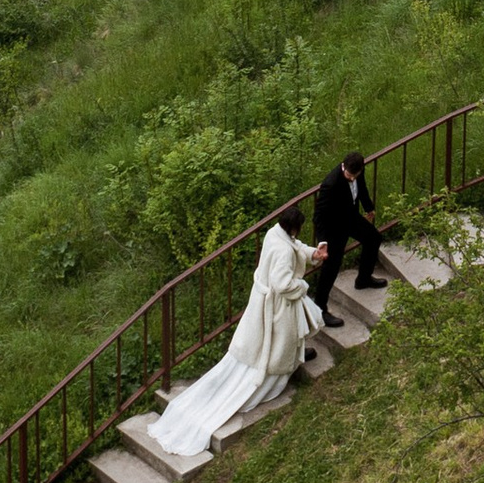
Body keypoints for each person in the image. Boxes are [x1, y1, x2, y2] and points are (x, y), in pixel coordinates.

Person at [139, 214, 320, 464]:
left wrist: (312, 254)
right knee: (279, 344)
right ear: (294, 226)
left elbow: (294, 245)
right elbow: (282, 284)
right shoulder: (284, 252)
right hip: (277, 308)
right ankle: (274, 378)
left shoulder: (273, 234)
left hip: (262, 303)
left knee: (264, 346)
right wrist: (302, 287)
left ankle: (293, 358)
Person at [310, 150, 384, 318]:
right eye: (349, 175)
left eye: (354, 175)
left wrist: (368, 207)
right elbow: (318, 215)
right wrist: (323, 241)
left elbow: (362, 187)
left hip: (351, 218)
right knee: (331, 267)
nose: (351, 178)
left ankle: (363, 279)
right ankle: (320, 309)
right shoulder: (331, 184)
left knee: (373, 239)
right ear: (344, 166)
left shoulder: (358, 170)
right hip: (334, 227)